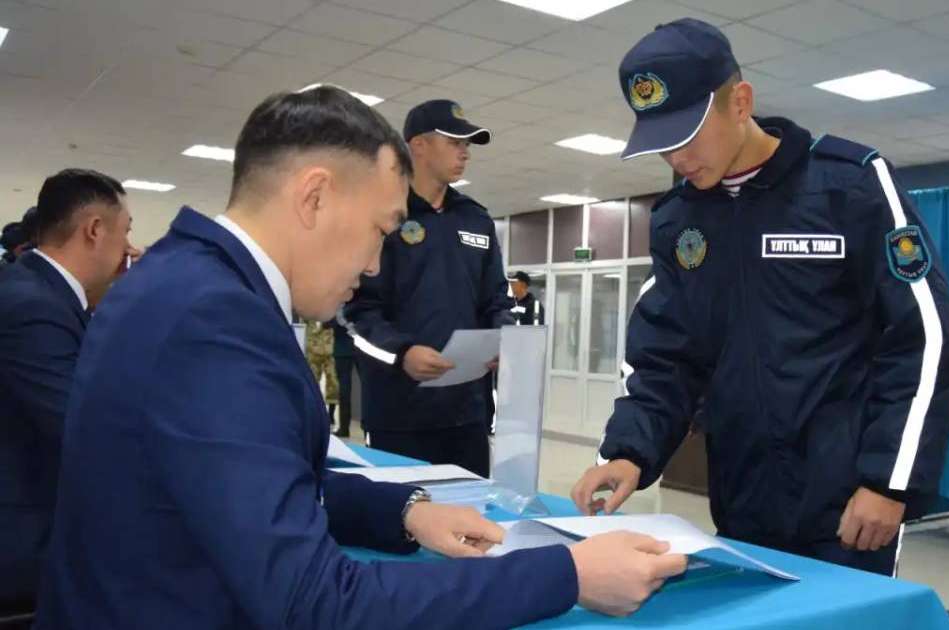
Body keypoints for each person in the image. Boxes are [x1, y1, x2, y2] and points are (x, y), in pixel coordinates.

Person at [37, 86, 684, 629]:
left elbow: (242, 482)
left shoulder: (182, 283)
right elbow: (315, 604)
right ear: (314, 197)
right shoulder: (215, 320)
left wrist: (404, 513)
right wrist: (565, 575)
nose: (376, 263)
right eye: (379, 229)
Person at [572, 19, 949, 577]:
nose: (678, 160)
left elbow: (927, 339)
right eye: (662, 145)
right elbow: (665, 357)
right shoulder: (678, 222)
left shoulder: (848, 188)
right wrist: (627, 452)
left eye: (687, 135)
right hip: (742, 499)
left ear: (740, 101)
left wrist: (889, 480)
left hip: (849, 507)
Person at [344, 99, 511, 477]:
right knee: (402, 524)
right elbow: (355, 314)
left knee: (471, 521)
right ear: (417, 145)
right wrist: (401, 353)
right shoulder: (383, 213)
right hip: (399, 413)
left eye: (468, 144)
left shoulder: (476, 219)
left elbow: (496, 297)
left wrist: (503, 337)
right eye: (455, 142)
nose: (465, 152)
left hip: (467, 413)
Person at [0, 170, 132, 614]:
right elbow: (85, 429)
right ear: (95, 230)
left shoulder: (37, 291)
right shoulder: (34, 307)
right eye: (125, 231)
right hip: (26, 545)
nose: (129, 250)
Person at [304, 318, 339, 419]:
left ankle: (331, 415)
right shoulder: (309, 313)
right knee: (312, 384)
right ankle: (314, 412)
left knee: (333, 384)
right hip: (313, 351)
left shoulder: (329, 312)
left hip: (329, 351)